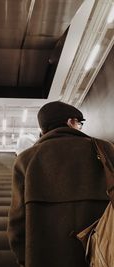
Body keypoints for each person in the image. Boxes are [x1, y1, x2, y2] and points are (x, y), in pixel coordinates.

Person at [7, 101, 114, 267]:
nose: (80, 127)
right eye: (80, 123)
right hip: (104, 256)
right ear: (71, 122)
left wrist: (25, 260)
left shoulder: (26, 160)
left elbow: (17, 225)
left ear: (43, 130)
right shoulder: (105, 150)